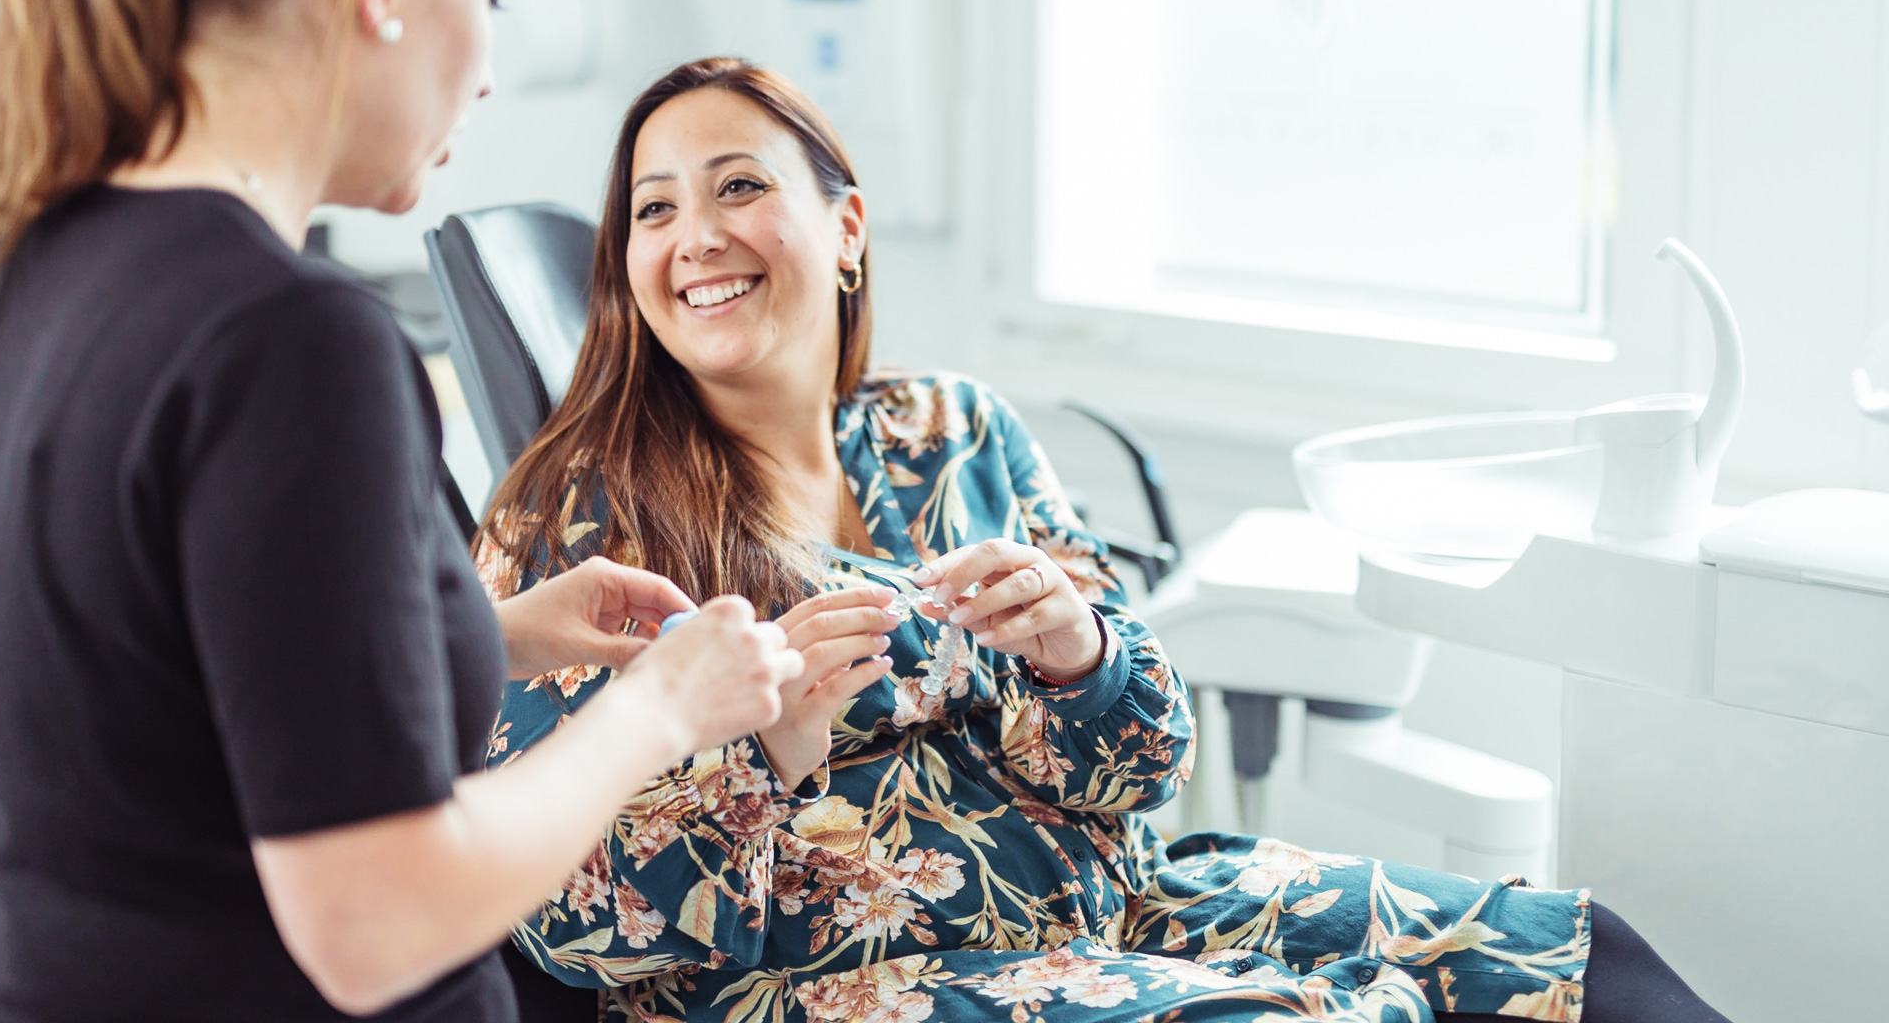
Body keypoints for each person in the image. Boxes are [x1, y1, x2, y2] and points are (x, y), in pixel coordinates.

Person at [477, 58, 1735, 1023]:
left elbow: (1137, 768)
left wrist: (1082, 655)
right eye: (653, 209)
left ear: (847, 226)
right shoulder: (584, 521)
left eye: (738, 185)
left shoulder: (953, 428)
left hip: (1123, 899)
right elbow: (571, 913)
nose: (695, 234)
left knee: (1570, 955)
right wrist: (777, 749)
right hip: (839, 980)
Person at [0, 0, 806, 1023]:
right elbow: (375, 920)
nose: (488, 66)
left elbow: (155, 691)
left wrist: (494, 630)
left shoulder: (27, 269)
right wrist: (661, 708)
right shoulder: (293, 342)